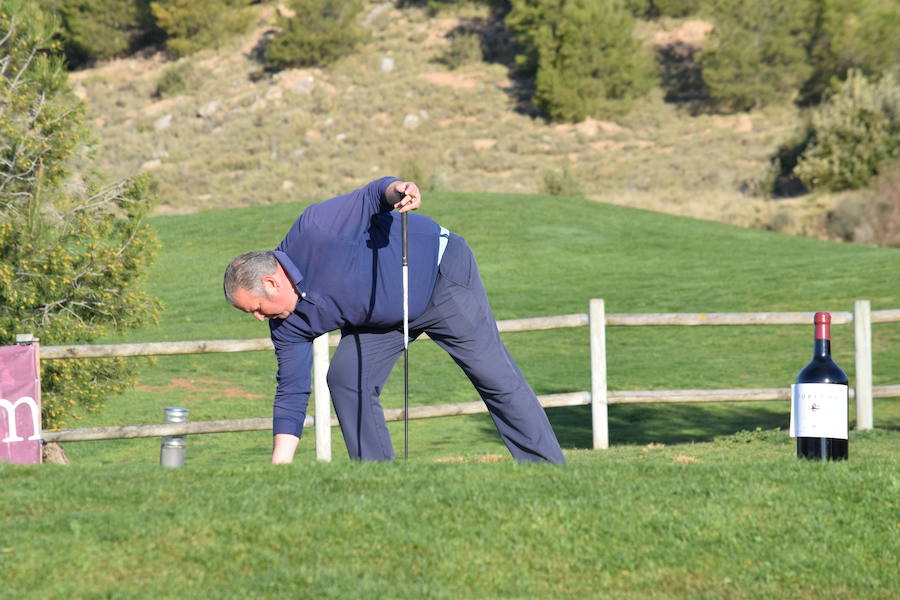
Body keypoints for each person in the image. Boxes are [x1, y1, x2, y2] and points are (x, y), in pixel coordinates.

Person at [223, 177, 566, 464]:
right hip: (385, 315)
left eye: (255, 308)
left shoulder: (317, 229)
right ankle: (380, 481)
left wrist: (399, 189)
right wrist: (279, 468)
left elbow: (374, 194)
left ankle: (548, 471)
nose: (257, 318)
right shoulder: (286, 323)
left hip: (440, 277)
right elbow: (292, 391)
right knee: (346, 379)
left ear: (270, 282)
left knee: (492, 374)